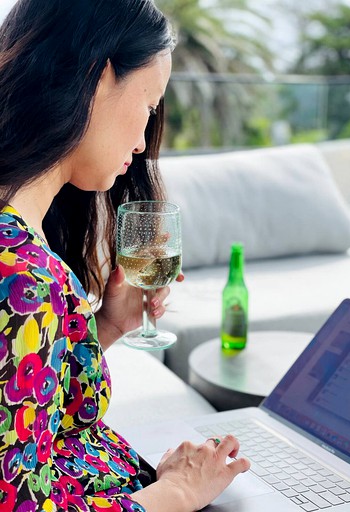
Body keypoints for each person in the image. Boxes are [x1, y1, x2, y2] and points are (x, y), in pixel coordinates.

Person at [0, 1, 250, 511]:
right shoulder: (20, 271)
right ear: (98, 75)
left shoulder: (22, 240)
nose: (141, 143)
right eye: (149, 105)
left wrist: (107, 327)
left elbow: (25, 411)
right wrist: (177, 493)